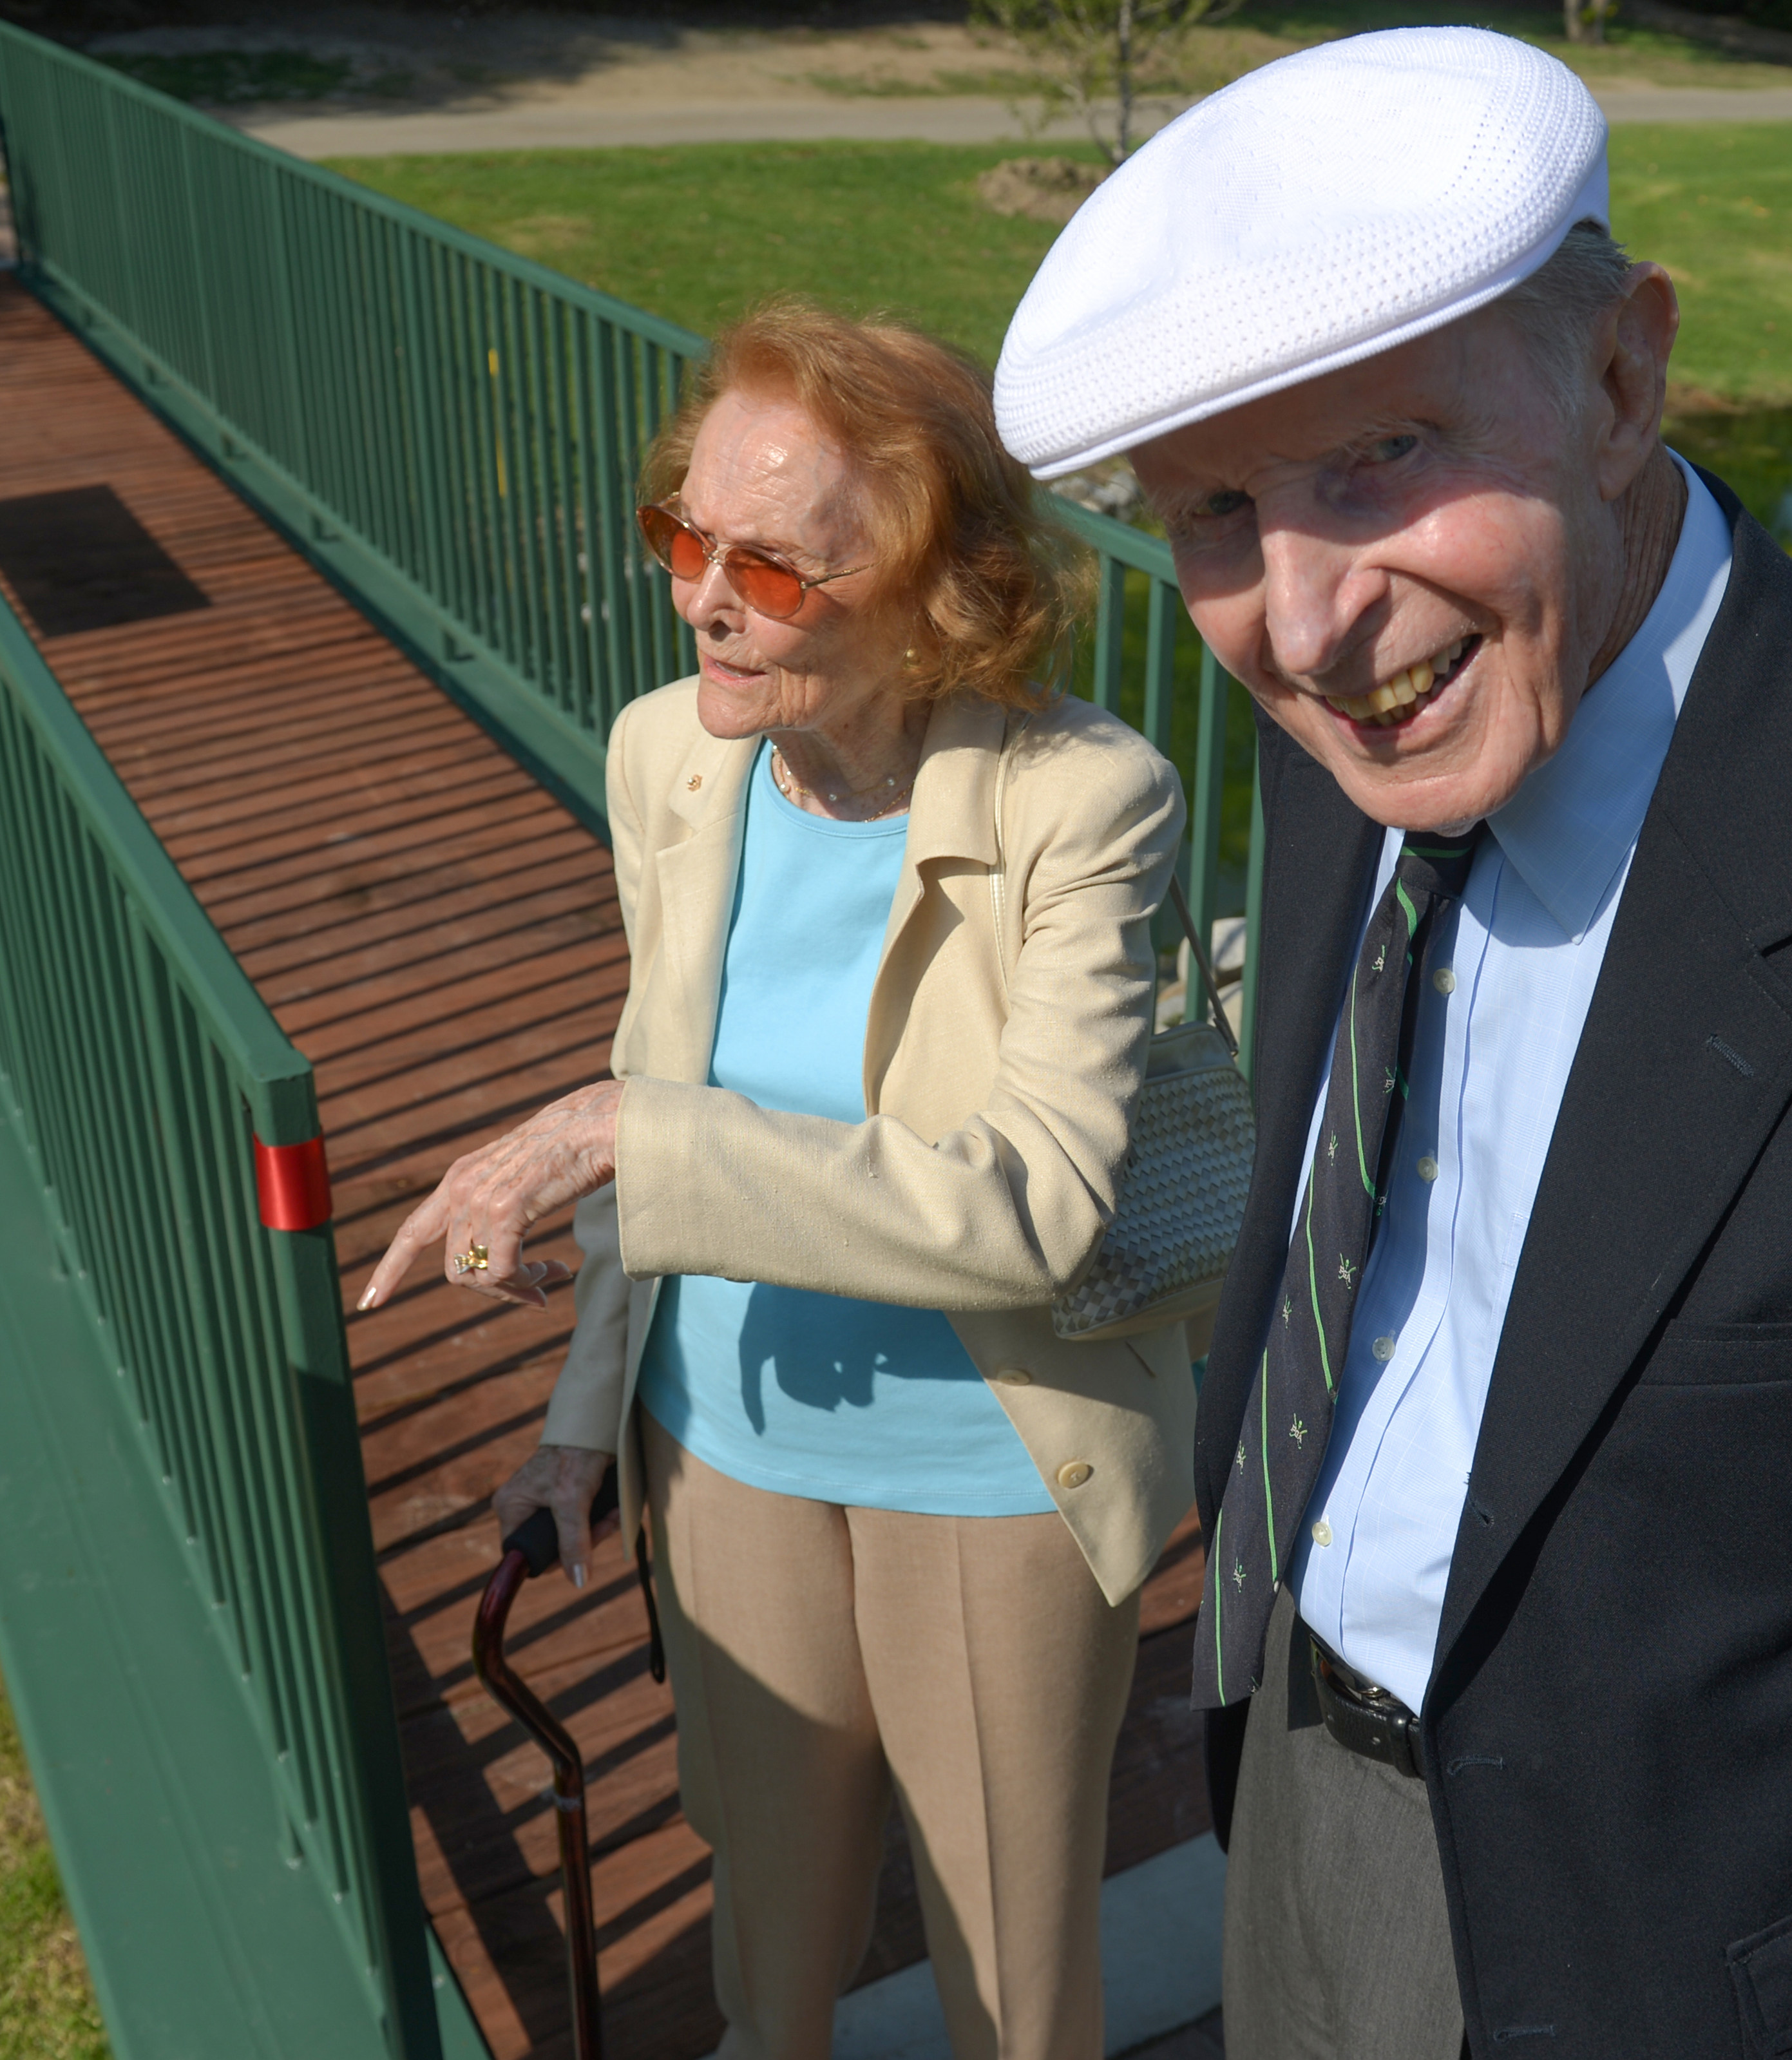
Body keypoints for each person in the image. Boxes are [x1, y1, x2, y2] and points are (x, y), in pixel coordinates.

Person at [993, 28, 1792, 2060]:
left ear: (1620, 378)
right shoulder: (1369, 736)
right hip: (1301, 1802)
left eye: (1381, 458)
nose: (1309, 621)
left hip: (1699, 1969)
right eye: (1219, 511)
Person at [365, 300, 1199, 2060]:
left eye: (775, 569)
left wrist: (605, 1138)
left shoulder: (1089, 797)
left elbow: (1034, 1204)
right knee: (769, 1958)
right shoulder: (669, 752)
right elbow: (662, 1075)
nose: (700, 600)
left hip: (986, 1472)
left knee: (1010, 1994)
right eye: (685, 535)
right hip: (725, 1454)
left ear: (937, 588)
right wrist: (585, 1421)